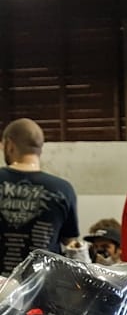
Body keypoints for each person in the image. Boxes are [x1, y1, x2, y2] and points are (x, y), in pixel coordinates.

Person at [0, 118, 80, 275]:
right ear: (40, 148)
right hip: (43, 286)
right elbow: (71, 245)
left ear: (9, 145)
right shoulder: (63, 189)